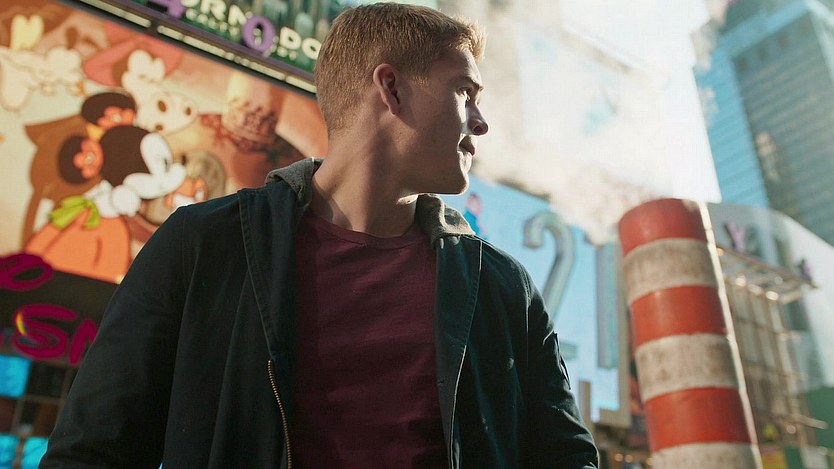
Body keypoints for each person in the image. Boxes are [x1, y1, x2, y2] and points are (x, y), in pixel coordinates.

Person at [41, 3, 598, 468]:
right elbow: (93, 450)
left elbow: (568, 458)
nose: (480, 122)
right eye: (464, 92)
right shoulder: (203, 244)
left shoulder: (503, 289)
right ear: (391, 88)